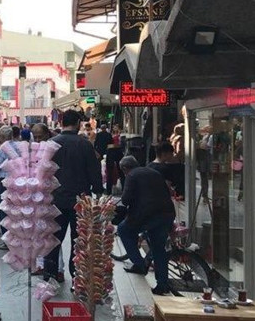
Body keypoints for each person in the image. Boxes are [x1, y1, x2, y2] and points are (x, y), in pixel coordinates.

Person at [42, 109, 103, 283]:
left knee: (53, 239)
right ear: (77, 124)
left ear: (61, 123)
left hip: (55, 200)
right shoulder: (84, 145)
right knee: (80, 241)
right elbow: (94, 170)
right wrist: (98, 191)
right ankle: (78, 278)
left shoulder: (52, 143)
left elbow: (43, 171)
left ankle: (50, 276)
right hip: (80, 200)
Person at [117, 155, 176, 296]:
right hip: (166, 213)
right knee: (158, 248)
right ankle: (162, 284)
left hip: (147, 216)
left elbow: (125, 199)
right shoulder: (153, 172)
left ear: (125, 168)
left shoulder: (131, 176)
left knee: (123, 230)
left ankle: (139, 263)